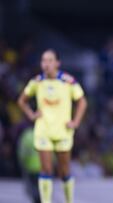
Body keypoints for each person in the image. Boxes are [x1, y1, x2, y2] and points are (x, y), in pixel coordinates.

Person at [18, 49, 87, 203]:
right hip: (43, 130)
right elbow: (21, 100)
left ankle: (69, 201)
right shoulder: (36, 82)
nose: (46, 64)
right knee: (46, 170)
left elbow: (82, 101)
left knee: (64, 171)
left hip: (63, 131)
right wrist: (31, 115)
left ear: (57, 63)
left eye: (50, 60)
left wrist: (75, 121)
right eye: (43, 60)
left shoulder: (68, 81)